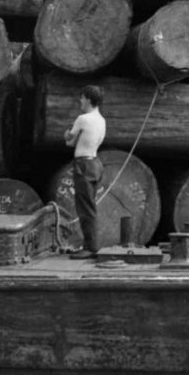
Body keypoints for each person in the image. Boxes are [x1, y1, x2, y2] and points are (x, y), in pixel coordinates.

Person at [64, 85, 106, 259]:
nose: (80, 101)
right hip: (95, 163)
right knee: (90, 207)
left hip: (83, 164)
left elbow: (69, 141)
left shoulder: (83, 118)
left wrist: (66, 134)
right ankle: (90, 245)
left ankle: (90, 247)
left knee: (85, 208)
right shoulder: (102, 120)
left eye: (82, 98)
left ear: (89, 99)